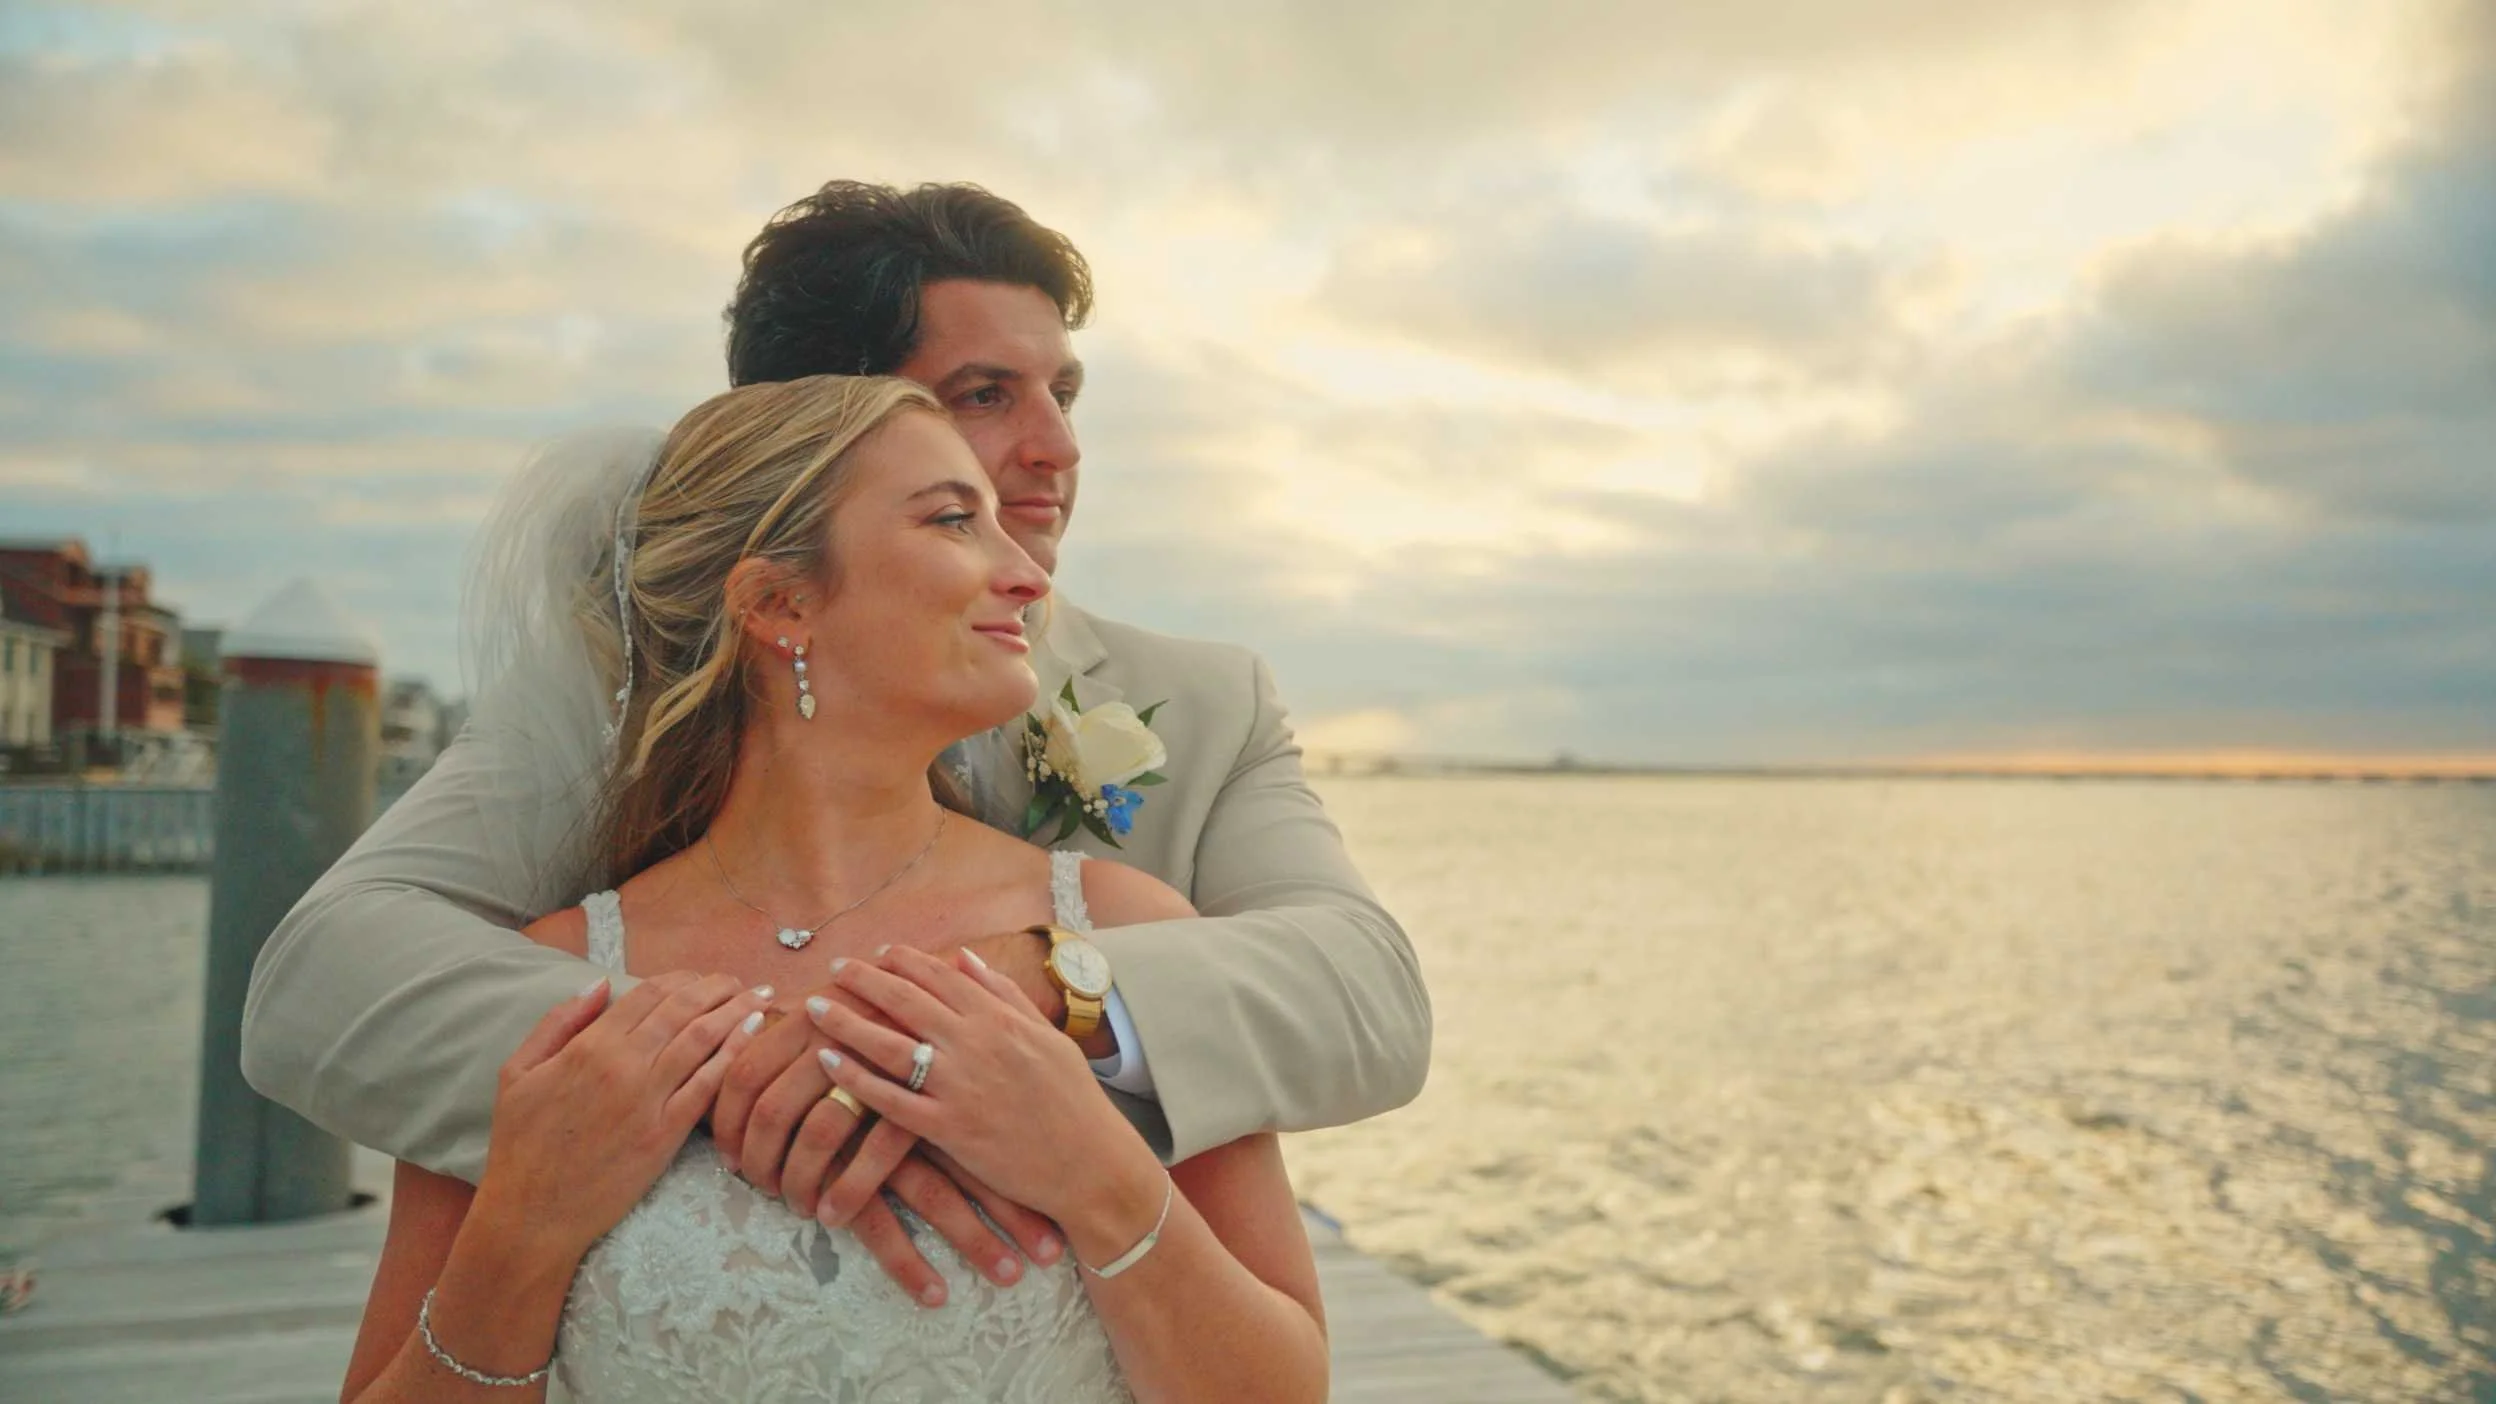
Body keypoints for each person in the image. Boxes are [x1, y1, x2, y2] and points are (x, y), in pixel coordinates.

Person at [241, 181, 1431, 1305]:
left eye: (1062, 392)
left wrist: (1046, 992)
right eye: (983, 395)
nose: (1056, 449)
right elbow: (322, 984)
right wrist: (761, 1059)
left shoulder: (1205, 702)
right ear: (809, 426)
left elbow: (1368, 998)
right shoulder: (626, 689)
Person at [340, 375, 1329, 1400]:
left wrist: (1100, 1175)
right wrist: (521, 1234)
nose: (1028, 574)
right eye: (954, 520)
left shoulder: (1116, 945)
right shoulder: (549, 990)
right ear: (778, 603)